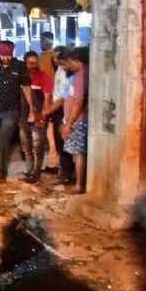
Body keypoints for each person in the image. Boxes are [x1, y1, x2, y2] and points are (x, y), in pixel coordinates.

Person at [0, 41, 36, 183]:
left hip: (11, 111)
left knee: (3, 141)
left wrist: (32, 108)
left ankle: (2, 174)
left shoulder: (19, 66)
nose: (6, 58)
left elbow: (26, 87)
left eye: (9, 55)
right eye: (3, 55)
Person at [42, 47, 75, 184]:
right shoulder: (60, 71)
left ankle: (68, 175)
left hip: (63, 109)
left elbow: (63, 98)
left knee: (64, 143)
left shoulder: (70, 74)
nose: (54, 61)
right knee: (58, 142)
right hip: (57, 108)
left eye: (57, 58)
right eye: (54, 58)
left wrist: (46, 112)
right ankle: (64, 172)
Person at [19, 51, 53, 184]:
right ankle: (29, 171)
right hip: (23, 118)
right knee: (26, 148)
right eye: (31, 63)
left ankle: (36, 173)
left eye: (36, 62)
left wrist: (43, 117)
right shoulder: (21, 78)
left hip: (38, 117)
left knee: (37, 148)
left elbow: (47, 98)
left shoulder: (44, 77)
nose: (34, 65)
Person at [61, 47, 89, 194]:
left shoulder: (80, 76)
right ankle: (79, 183)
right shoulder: (86, 73)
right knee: (78, 153)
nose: (69, 65)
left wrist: (69, 124)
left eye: (70, 62)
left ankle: (79, 185)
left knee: (78, 154)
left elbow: (78, 102)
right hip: (78, 119)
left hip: (79, 120)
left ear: (77, 61)